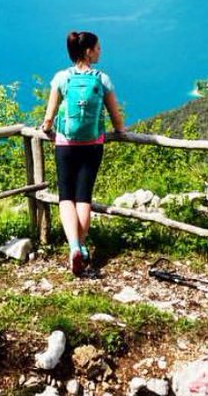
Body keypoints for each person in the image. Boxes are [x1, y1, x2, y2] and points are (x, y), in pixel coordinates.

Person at [41, 30, 125, 277]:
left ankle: (74, 247)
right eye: (97, 48)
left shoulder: (61, 78)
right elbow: (115, 114)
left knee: (66, 197)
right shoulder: (102, 79)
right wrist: (120, 130)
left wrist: (46, 128)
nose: (100, 51)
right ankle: (83, 246)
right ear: (87, 52)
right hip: (92, 144)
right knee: (83, 197)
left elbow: (50, 114)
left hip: (65, 144)